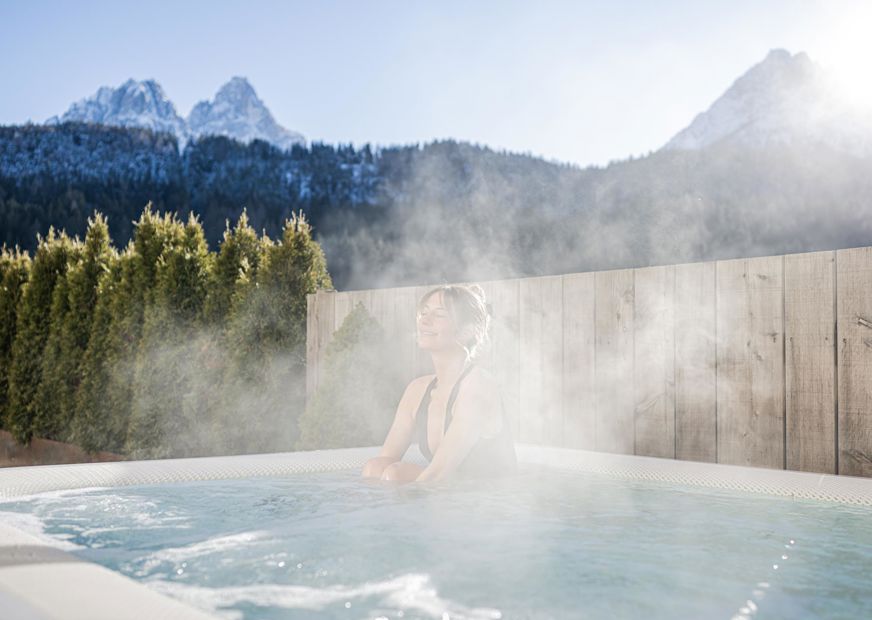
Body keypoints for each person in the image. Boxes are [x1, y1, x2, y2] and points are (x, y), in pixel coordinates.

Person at [361, 284, 518, 483]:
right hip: (452, 496)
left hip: (491, 502)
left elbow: (437, 475)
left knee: (395, 474)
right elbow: (386, 459)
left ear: (466, 331)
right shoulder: (417, 390)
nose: (424, 321)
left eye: (439, 315)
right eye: (423, 313)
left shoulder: (478, 386)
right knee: (374, 467)